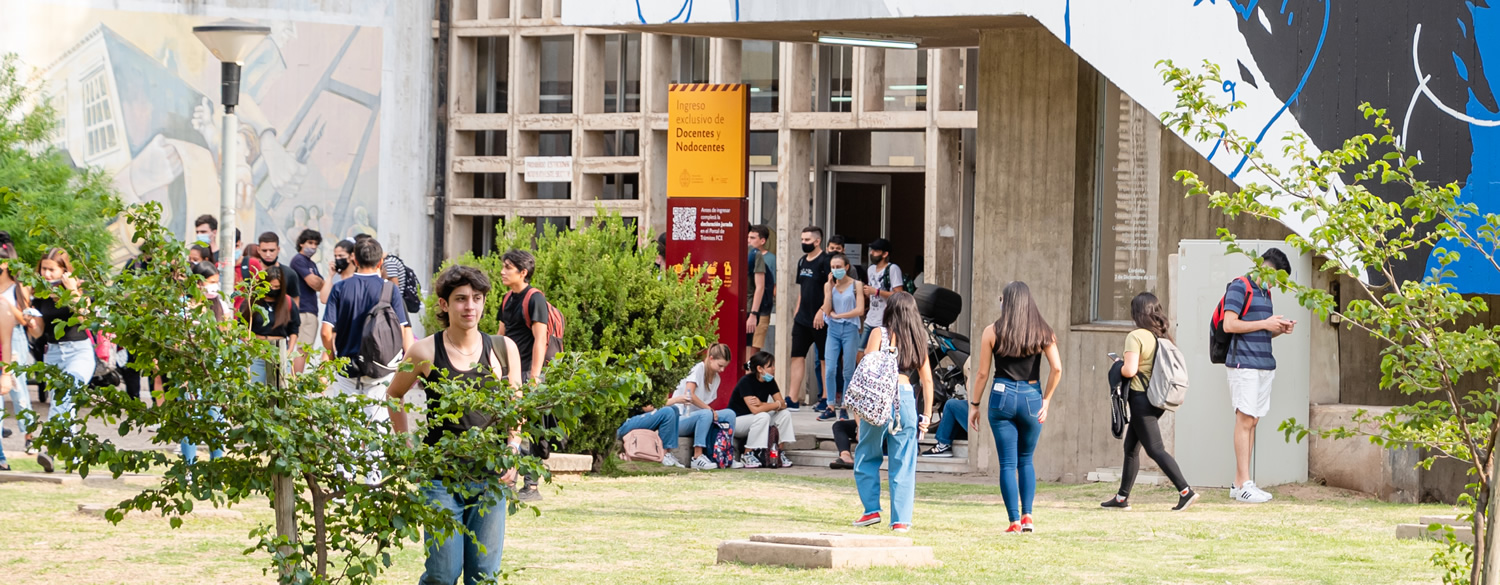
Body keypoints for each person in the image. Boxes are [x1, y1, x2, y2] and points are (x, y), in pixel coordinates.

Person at [386, 265, 522, 585]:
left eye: (477, 298)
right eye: (460, 299)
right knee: (442, 574)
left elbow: (516, 406)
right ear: (445, 305)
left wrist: (513, 447)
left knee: (483, 575)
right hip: (439, 479)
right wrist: (407, 446)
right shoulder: (425, 351)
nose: (470, 306)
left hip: (490, 477)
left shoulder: (503, 350)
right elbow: (394, 395)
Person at [968, 281, 1062, 534]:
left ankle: (1014, 522)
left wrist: (974, 405)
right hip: (1032, 395)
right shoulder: (1043, 331)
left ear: (1006, 302)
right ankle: (1028, 517)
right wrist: (1047, 400)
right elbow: (1057, 368)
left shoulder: (992, 331)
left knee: (1008, 463)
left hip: (1002, 394)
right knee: (1026, 460)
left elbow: (981, 373)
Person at [1102, 292, 1199, 511]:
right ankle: (1121, 498)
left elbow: (1130, 370)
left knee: (1155, 449)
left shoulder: (1136, 336)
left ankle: (1186, 491)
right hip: (1156, 400)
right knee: (1131, 448)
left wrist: (1118, 364)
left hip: (1140, 399)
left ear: (1136, 313)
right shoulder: (1161, 336)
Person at [322, 238, 413, 467]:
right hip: (381, 371)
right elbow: (405, 332)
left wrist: (332, 357)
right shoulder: (389, 289)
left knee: (343, 435)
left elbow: (325, 332)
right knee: (377, 435)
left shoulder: (340, 288)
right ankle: (373, 486)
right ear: (381, 261)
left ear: (354, 259)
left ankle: (342, 487)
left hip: (346, 369)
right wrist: (405, 365)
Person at [852, 292, 932, 533]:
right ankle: (900, 520)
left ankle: (871, 510)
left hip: (880, 397)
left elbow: (867, 369)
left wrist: (858, 413)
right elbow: (927, 381)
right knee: (904, 461)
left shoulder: (880, 333)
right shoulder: (919, 339)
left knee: (867, 453)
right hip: (907, 396)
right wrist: (926, 416)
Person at [1221, 248, 1296, 504]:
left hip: (1263, 364)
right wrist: (1265, 323)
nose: (1277, 283)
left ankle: (1241, 482)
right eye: (1277, 277)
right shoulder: (1240, 286)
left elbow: (1258, 330)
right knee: (1244, 420)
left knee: (1252, 421)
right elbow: (1229, 324)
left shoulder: (1265, 292)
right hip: (1244, 365)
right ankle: (1243, 483)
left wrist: (1278, 329)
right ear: (1265, 267)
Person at [26, 249, 90, 473]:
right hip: (53, 352)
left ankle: (49, 449)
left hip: (79, 352)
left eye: (51, 269)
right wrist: (32, 323)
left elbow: (84, 317)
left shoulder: (78, 289)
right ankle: (71, 454)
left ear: (64, 270)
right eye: (43, 268)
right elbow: (38, 333)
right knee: (64, 403)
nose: (46, 273)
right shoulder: (40, 295)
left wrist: (71, 289)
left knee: (64, 395)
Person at [179, 261, 232, 465]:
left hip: (214, 362)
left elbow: (227, 336)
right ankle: (189, 467)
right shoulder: (183, 305)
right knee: (190, 417)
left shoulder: (220, 303)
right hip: (189, 363)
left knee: (216, 416)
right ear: (198, 282)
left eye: (216, 282)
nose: (214, 287)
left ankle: (217, 466)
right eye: (211, 282)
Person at [672, 343, 740, 471]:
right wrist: (709, 409)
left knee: (729, 414)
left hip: (699, 417)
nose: (722, 370)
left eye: (724, 367)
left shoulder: (716, 379)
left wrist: (709, 411)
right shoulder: (699, 368)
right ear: (711, 358)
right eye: (720, 366)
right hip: (680, 418)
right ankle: (697, 457)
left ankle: (726, 454)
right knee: (706, 413)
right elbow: (689, 394)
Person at [787, 227, 832, 411]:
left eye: (807, 239)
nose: (803, 242)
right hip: (802, 319)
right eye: (802, 239)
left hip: (821, 318)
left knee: (824, 359)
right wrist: (797, 313)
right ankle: (793, 398)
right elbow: (802, 291)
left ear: (817, 241)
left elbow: (831, 289)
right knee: (797, 356)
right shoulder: (801, 261)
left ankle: (825, 398)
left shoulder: (826, 261)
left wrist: (823, 310)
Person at [727, 351, 796, 469]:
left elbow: (783, 404)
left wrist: (764, 404)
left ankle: (778, 452)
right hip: (737, 422)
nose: (773, 369)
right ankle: (747, 454)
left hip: (756, 420)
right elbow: (755, 410)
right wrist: (775, 404)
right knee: (764, 416)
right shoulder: (746, 382)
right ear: (760, 368)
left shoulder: (770, 381)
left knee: (784, 414)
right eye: (770, 366)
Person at [819, 255, 863, 422]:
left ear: (846, 267)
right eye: (833, 267)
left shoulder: (856, 285)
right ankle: (830, 405)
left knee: (848, 370)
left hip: (850, 328)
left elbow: (859, 310)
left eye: (839, 266)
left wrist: (840, 315)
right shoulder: (828, 286)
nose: (836, 270)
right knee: (830, 368)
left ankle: (844, 405)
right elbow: (827, 309)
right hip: (833, 329)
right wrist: (829, 290)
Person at [496, 250, 550, 383]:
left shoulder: (535, 299)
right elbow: (501, 335)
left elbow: (540, 339)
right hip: (508, 370)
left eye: (508, 268)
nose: (502, 272)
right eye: (503, 267)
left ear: (523, 272)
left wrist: (535, 377)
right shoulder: (507, 298)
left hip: (527, 373)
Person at [0, 242, 32, 453]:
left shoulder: (18, 287)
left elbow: (25, 320)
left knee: (18, 390)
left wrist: (5, 305)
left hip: (16, 338)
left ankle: (29, 436)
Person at [289, 229, 325, 373]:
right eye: (310, 243)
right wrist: (317, 281)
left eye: (316, 244)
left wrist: (318, 281)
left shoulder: (312, 264)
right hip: (302, 310)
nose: (313, 247)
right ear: (302, 243)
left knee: (304, 349)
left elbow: (321, 285)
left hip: (310, 310)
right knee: (300, 350)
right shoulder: (299, 260)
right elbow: (314, 283)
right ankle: (295, 382)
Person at [861, 238, 905, 353]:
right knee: (860, 350)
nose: (872, 253)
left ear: (885, 254)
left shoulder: (892, 269)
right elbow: (870, 293)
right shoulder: (870, 269)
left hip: (885, 320)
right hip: (870, 317)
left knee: (881, 352)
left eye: (876, 251)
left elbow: (899, 294)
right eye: (872, 250)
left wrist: (876, 292)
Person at [744, 225, 775, 359]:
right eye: (748, 237)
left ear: (762, 241)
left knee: (752, 352)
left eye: (752, 238)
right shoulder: (747, 254)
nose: (749, 240)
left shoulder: (762, 257)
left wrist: (754, 313)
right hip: (747, 308)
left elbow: (762, 286)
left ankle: (750, 376)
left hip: (760, 309)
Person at [256, 232, 299, 308]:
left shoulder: (289, 274)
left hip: (282, 317)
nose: (268, 254)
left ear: (278, 249)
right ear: (258, 249)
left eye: (272, 250)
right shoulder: (252, 272)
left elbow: (295, 302)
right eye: (264, 250)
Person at [323, 239, 357, 306]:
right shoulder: (336, 277)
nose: (338, 259)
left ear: (352, 256)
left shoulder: (359, 275)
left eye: (341, 256)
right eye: (336, 256)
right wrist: (330, 276)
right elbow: (324, 299)